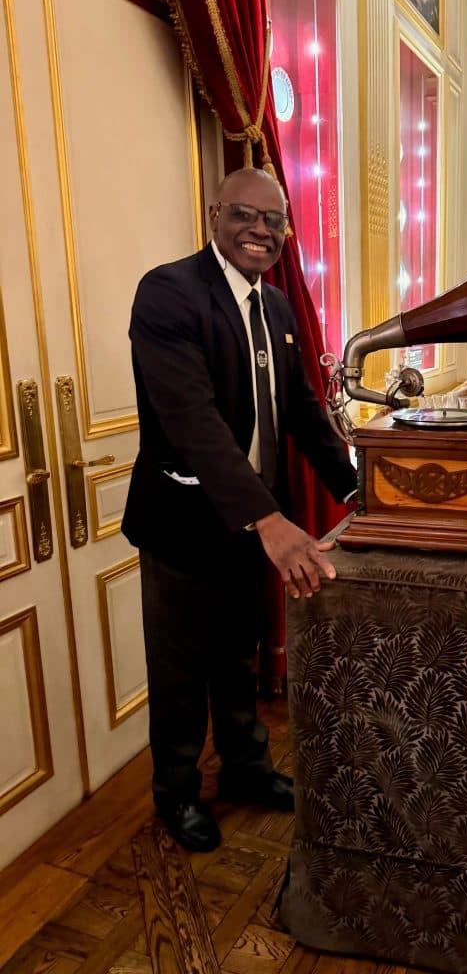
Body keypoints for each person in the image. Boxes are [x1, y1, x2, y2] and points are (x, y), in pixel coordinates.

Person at [122, 167, 357, 852]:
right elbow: (193, 423)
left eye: (274, 220)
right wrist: (271, 522)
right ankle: (177, 794)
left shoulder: (277, 307)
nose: (261, 230)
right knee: (179, 669)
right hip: (183, 526)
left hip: (256, 529)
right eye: (245, 216)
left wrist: (352, 490)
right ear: (213, 216)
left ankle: (247, 771)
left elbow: (305, 414)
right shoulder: (168, 294)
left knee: (240, 658)